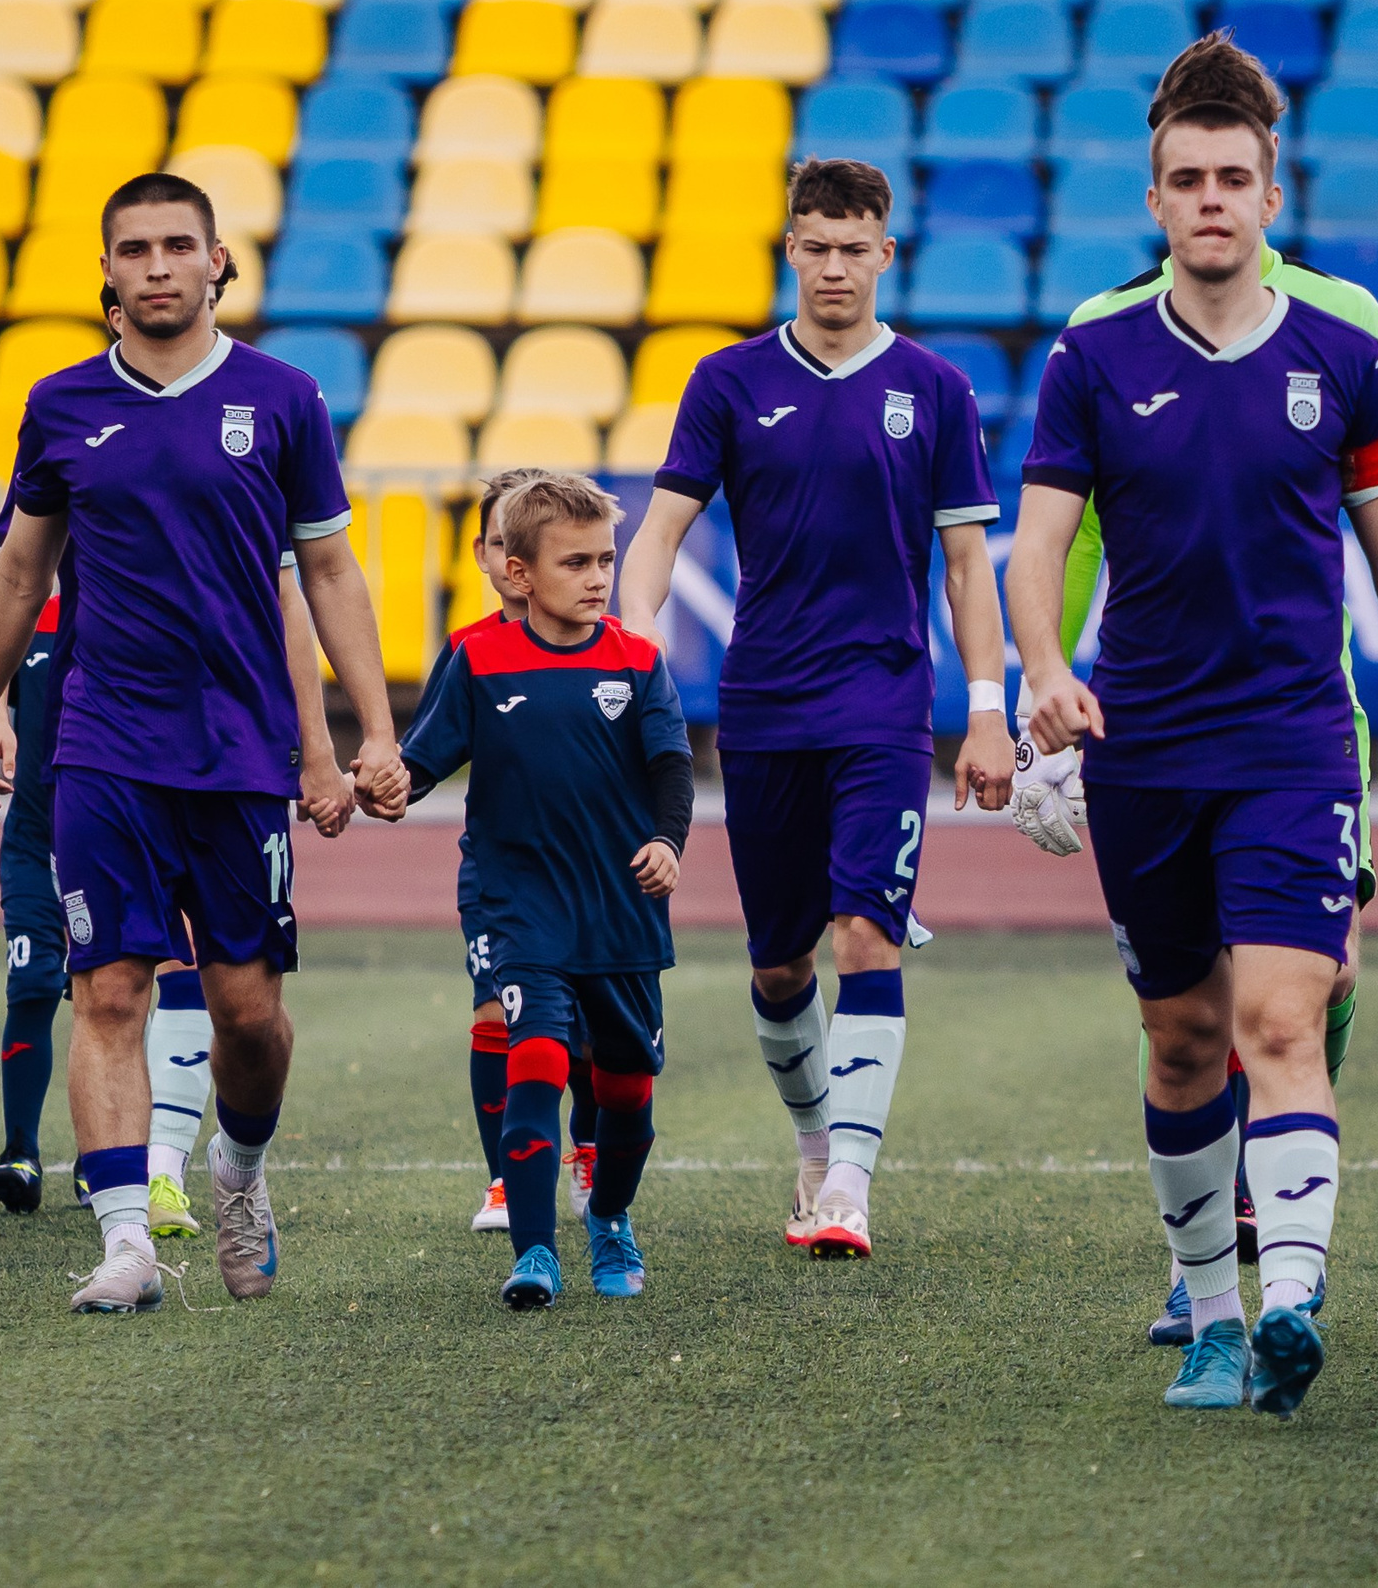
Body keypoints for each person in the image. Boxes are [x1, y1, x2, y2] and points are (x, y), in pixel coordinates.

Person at [1006, 31, 1378, 1416]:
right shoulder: (1090, 352)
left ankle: (1287, 1299)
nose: (1212, 198)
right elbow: (1041, 540)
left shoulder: (1343, 341)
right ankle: (1209, 1309)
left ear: (1270, 195)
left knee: (1282, 1013)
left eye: (1235, 177)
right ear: (1154, 201)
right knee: (1180, 1033)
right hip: (1146, 746)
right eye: (1187, 179)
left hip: (1293, 735)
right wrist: (1042, 672)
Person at [0, 171, 406, 1314]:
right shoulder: (59, 406)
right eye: (133, 249)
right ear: (105, 270)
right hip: (101, 742)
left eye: (176, 246)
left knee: (247, 1010)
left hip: (241, 750)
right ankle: (123, 1244)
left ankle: (238, 1172)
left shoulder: (284, 398)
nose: (155, 265)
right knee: (105, 991)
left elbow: (330, 569)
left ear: (216, 264)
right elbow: (19, 570)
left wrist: (367, 731)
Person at [619, 157, 1013, 1263]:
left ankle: (848, 1178)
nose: (834, 265)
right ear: (789, 249)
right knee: (780, 962)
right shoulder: (728, 380)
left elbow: (969, 565)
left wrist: (985, 705)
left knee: (866, 933)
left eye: (854, 247)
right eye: (815, 245)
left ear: (886, 253)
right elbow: (658, 532)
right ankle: (810, 1142)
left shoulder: (934, 388)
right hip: (761, 702)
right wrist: (633, 645)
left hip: (884, 701)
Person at [403, 473, 694, 1307]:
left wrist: (667, 843)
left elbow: (672, 767)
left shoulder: (638, 661)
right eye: (578, 563)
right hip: (521, 905)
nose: (601, 578)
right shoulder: (478, 659)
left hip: (622, 909)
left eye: (606, 559)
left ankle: (609, 1217)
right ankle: (533, 1253)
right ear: (520, 573)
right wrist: (381, 787)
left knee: (628, 1091)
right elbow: (423, 764)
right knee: (534, 1060)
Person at [430, 467, 601, 1233]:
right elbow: (423, 749)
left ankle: (589, 1152)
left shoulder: (612, 651)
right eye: (499, 543)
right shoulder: (468, 651)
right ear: (487, 554)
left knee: (592, 1028)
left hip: (596, 877)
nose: (509, 558)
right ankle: (506, 1178)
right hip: (500, 878)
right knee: (498, 1014)